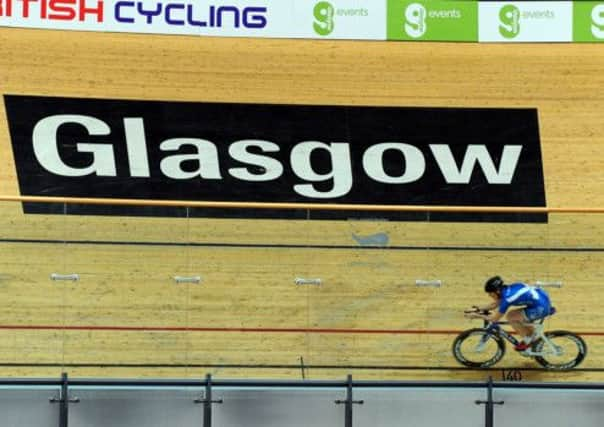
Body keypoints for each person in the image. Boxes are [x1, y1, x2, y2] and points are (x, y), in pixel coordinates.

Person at [468, 276, 553, 351]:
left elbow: (494, 319)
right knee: (517, 317)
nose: (490, 295)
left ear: (497, 291)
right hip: (542, 300)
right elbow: (494, 305)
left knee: (511, 316)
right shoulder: (506, 290)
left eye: (490, 293)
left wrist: (477, 316)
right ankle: (534, 339)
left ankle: (528, 340)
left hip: (541, 307)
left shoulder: (508, 298)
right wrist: (477, 309)